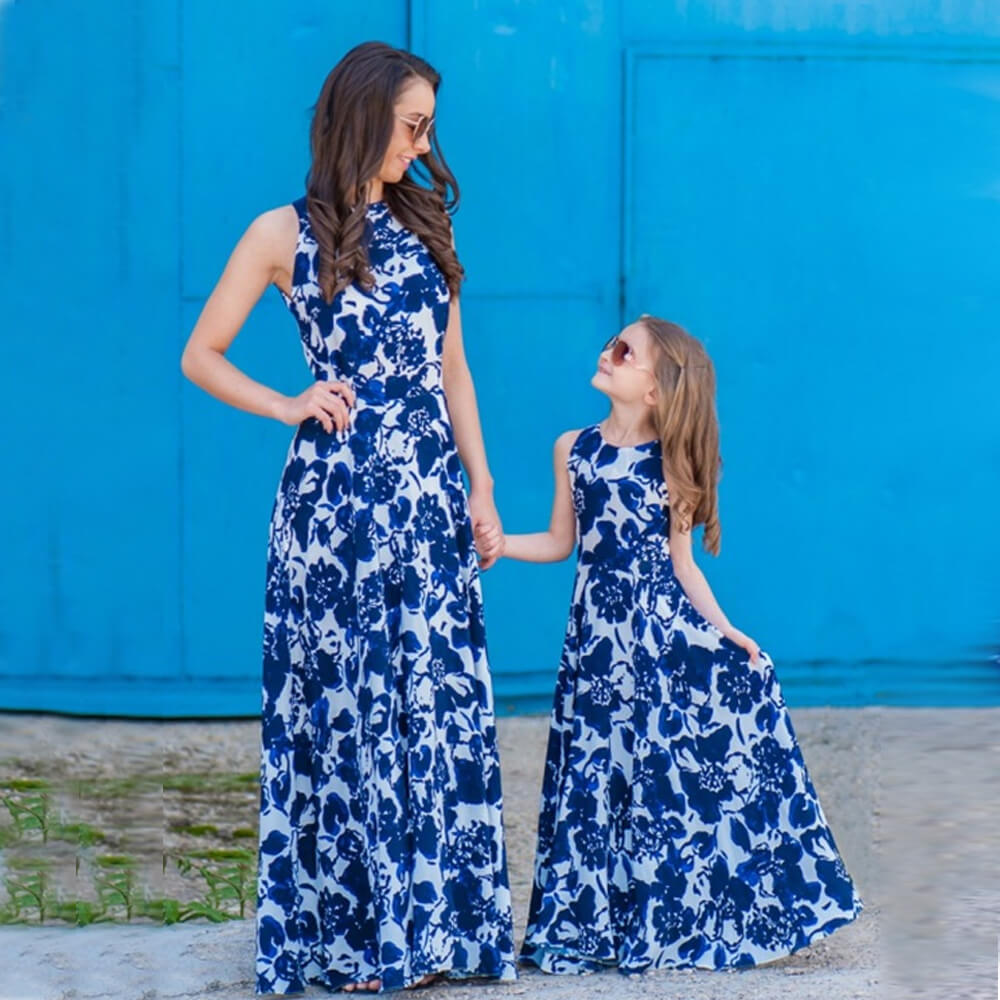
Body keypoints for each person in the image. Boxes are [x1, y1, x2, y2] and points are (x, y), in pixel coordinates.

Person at [181, 41, 515, 995]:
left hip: (428, 497)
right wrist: (288, 404)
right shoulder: (281, 234)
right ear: (362, 118)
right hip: (337, 510)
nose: (422, 144)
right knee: (347, 709)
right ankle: (357, 939)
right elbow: (201, 353)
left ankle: (440, 931)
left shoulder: (425, 220)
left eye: (428, 128)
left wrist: (483, 489)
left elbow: (454, 370)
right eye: (411, 125)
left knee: (435, 706)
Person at [475, 315, 863, 974]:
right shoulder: (572, 448)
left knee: (664, 782)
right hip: (595, 648)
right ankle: (587, 926)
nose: (607, 351)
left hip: (659, 645)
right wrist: (503, 545)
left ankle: (703, 910)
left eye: (624, 351)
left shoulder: (669, 462)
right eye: (609, 341)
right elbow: (561, 542)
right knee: (595, 776)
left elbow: (683, 565)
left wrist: (729, 632)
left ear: (655, 390)